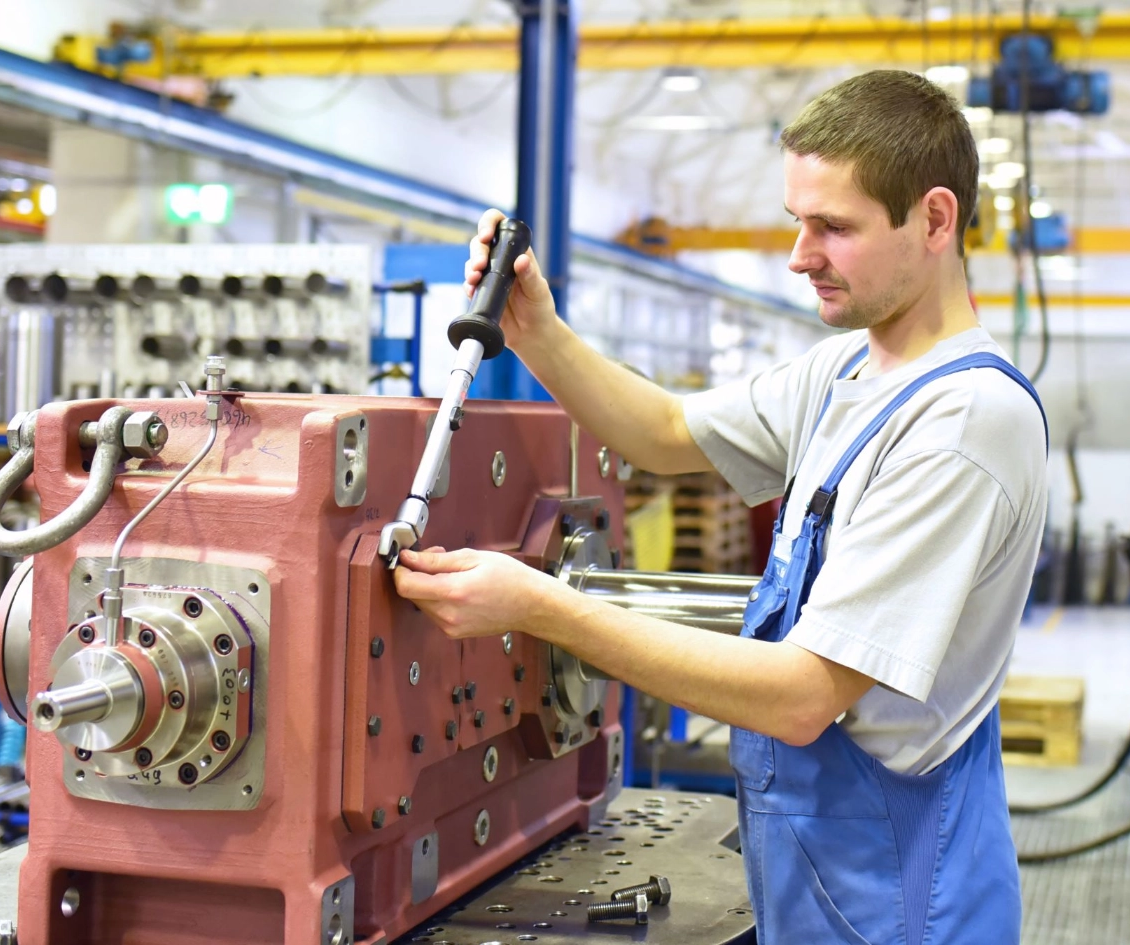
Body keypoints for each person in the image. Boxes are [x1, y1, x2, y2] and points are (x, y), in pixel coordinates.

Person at [394, 69, 1048, 945]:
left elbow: (803, 696)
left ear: (934, 219)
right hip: (823, 866)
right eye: (797, 222)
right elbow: (666, 431)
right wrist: (536, 333)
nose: (800, 255)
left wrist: (544, 608)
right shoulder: (848, 370)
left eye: (834, 227)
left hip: (903, 892)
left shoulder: (963, 421)